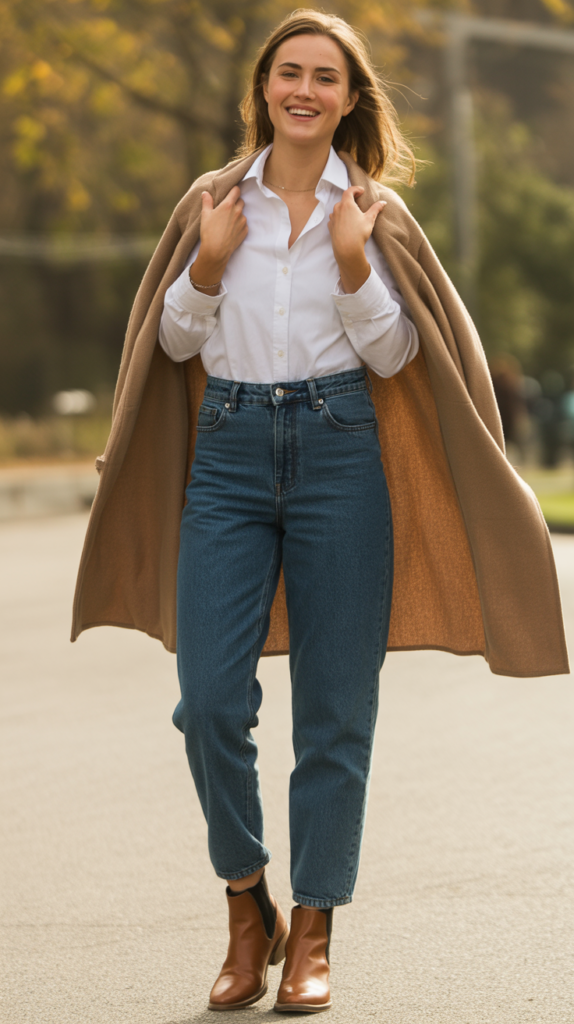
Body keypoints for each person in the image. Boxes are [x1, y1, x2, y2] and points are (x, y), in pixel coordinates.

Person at [71, 8, 568, 1017]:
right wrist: (206, 266)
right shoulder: (212, 202)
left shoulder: (375, 214)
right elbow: (170, 346)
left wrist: (351, 266)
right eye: (288, 72)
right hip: (229, 458)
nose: (304, 90)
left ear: (349, 98)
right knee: (208, 701)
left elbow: (395, 360)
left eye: (325, 77)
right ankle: (245, 902)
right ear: (263, 89)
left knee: (336, 715)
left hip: (343, 456)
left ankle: (312, 933)